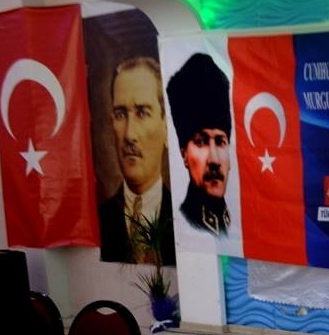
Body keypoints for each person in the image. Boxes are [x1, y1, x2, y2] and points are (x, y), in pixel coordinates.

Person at [99, 57, 176, 265]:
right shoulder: (99, 220)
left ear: (166, 126)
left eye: (142, 113)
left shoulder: (185, 219)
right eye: (120, 114)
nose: (129, 134)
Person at [166, 52, 233, 237]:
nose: (214, 160)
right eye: (201, 142)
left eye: (220, 141)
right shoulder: (184, 222)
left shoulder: (233, 224)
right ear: (184, 154)